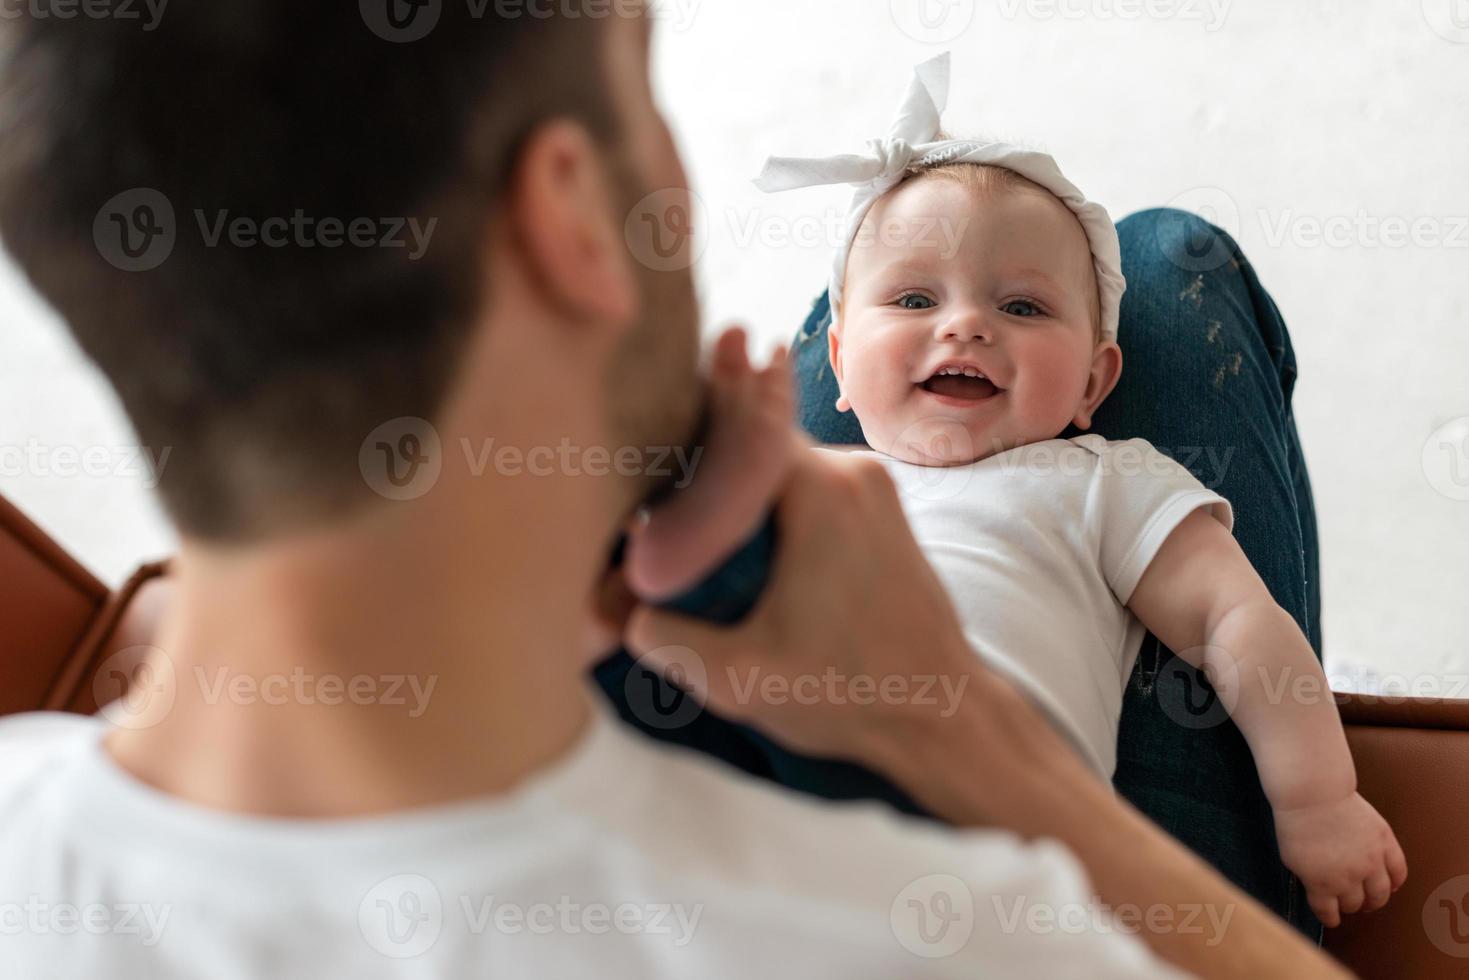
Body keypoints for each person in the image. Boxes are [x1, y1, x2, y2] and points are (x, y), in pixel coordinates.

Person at [0, 4, 1346, 977]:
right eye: (645, 94)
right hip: (995, 799)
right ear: (574, 214)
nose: (961, 330)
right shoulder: (954, 933)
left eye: (1017, 305)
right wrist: (978, 753)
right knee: (1168, 260)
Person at [618, 56, 1405, 934]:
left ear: (1092, 386)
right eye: (914, 297)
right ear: (834, 362)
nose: (965, 325)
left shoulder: (1103, 479)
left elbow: (1236, 621)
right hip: (769, 802)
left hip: (1002, 846)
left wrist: (1316, 798)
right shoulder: (814, 480)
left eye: (1024, 308)